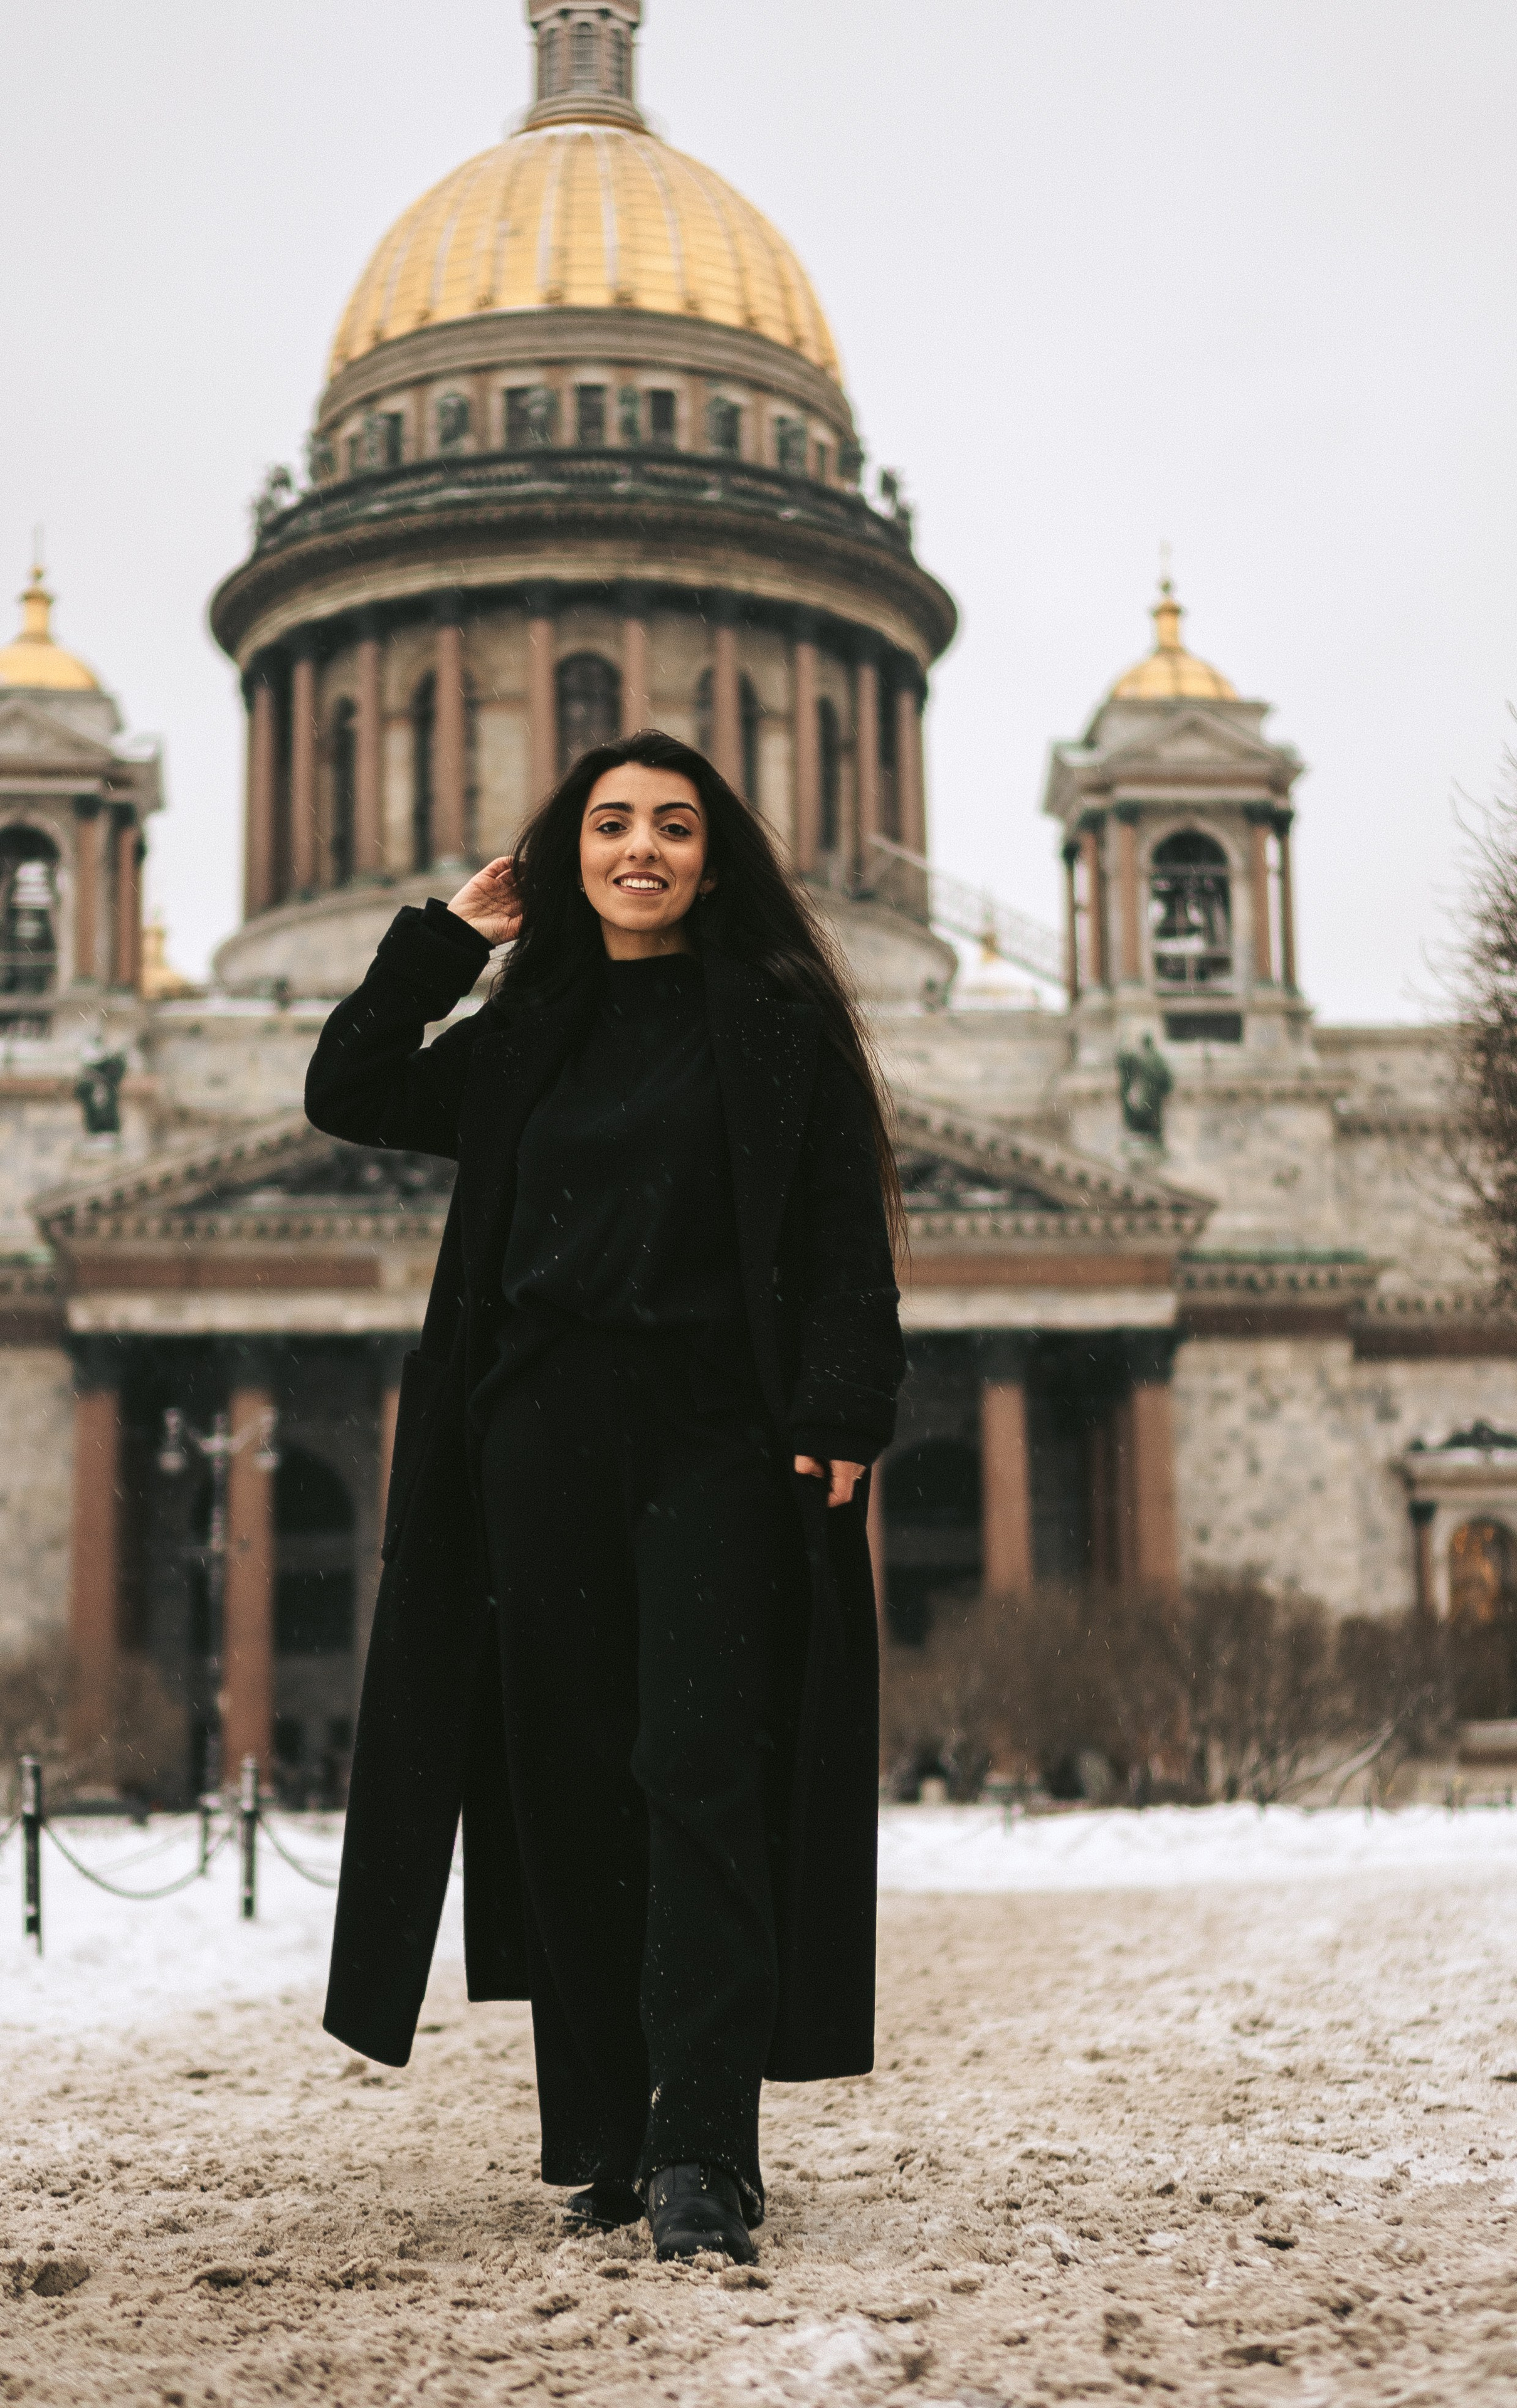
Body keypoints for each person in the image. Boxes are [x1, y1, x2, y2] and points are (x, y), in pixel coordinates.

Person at [305, 729, 906, 2264]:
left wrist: (843, 1401)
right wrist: (446, 941)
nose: (642, 849)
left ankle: (706, 2145)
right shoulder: (524, 1033)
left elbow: (845, 1227)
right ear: (565, 850)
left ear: (717, 855)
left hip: (712, 1434)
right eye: (611, 824)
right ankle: (608, 2134)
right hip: (538, 1438)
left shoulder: (777, 1028)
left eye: (676, 826)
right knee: (560, 1787)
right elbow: (349, 1088)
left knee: (696, 1766)